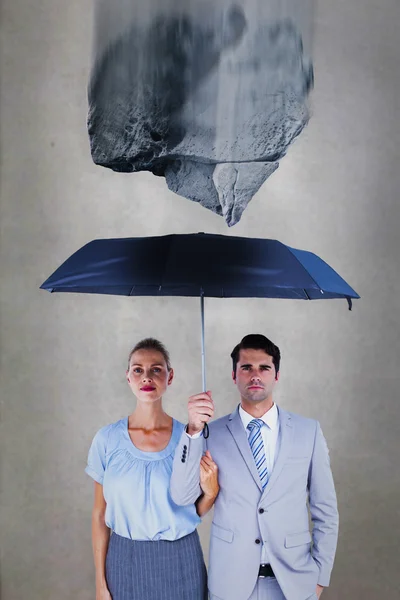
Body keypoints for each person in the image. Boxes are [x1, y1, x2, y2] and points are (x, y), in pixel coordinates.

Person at [170, 334, 339, 600]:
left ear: (277, 375)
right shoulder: (210, 433)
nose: (255, 375)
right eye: (246, 367)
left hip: (294, 583)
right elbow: (181, 496)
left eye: (264, 368)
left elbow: (326, 510)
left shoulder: (309, 432)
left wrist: (319, 577)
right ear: (234, 375)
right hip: (231, 583)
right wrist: (192, 430)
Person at [85, 338, 219, 600]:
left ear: (170, 377)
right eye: (138, 369)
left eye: (156, 369)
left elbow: (190, 509)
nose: (147, 376)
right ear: (128, 377)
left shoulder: (191, 438)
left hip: (181, 559)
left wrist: (211, 495)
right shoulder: (107, 439)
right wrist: (101, 583)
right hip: (124, 560)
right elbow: (100, 515)